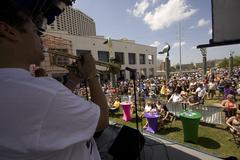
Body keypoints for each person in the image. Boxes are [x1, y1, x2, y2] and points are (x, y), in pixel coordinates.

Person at [0, 1, 108, 160]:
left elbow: (47, 117)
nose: (41, 38)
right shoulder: (40, 90)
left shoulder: (15, 85)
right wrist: (92, 75)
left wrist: (72, 80)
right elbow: (102, 119)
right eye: (35, 31)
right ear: (8, 31)